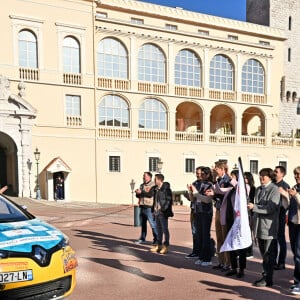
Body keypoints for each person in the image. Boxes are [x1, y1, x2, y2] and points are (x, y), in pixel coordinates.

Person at [248, 168, 280, 287]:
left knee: (268, 254)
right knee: (263, 254)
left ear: (270, 177)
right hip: (258, 226)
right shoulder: (258, 189)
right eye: (260, 176)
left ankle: (268, 278)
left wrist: (254, 207)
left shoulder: (274, 190)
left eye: (264, 176)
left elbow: (271, 208)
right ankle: (265, 276)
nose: (261, 178)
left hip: (268, 227)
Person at [223, 170, 250, 278]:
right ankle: (233, 267)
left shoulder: (245, 187)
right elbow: (220, 190)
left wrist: (228, 176)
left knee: (241, 245)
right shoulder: (231, 190)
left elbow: (239, 187)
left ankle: (242, 269)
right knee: (231, 243)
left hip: (239, 220)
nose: (231, 180)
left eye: (234, 177)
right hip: (230, 218)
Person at [279, 166, 300, 295]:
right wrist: (285, 196)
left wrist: (296, 195)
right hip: (293, 223)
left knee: (299, 254)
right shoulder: (294, 187)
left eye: (298, 174)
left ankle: (298, 282)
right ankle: (297, 281)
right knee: (295, 252)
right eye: (295, 174)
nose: (296, 176)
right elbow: (288, 206)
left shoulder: (296, 190)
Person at [189, 166, 214, 266]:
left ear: (207, 175)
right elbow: (193, 199)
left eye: (203, 174)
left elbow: (207, 199)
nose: (200, 176)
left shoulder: (209, 184)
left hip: (206, 212)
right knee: (199, 235)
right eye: (200, 174)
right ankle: (201, 256)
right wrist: (190, 192)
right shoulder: (196, 183)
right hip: (197, 211)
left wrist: (195, 193)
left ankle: (207, 258)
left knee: (205, 235)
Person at [210, 161, 232, 271]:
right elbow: (217, 195)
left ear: (223, 169)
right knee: (219, 237)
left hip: (225, 210)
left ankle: (228, 263)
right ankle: (221, 261)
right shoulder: (218, 180)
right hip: (218, 209)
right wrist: (212, 195)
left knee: (225, 237)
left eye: (217, 169)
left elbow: (226, 194)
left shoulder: (228, 180)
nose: (215, 171)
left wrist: (215, 193)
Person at [183, 166, 204, 259]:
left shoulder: (206, 184)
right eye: (197, 173)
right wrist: (189, 194)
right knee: (194, 231)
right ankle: (196, 251)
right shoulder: (194, 183)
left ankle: (203, 251)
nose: (198, 175)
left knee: (202, 232)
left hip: (202, 210)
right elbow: (193, 199)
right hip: (194, 209)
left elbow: (202, 197)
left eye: (200, 173)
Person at [150, 173, 173, 254]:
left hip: (163, 212)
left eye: (155, 179)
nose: (154, 181)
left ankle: (166, 245)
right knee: (158, 229)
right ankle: (158, 245)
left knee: (165, 229)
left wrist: (163, 209)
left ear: (159, 180)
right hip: (156, 212)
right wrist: (153, 210)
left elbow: (169, 200)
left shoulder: (166, 189)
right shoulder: (156, 189)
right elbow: (154, 200)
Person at [273, 165, 290, 270]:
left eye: (277, 172)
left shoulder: (285, 185)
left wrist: (284, 193)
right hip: (272, 216)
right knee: (273, 239)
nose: (274, 173)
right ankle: (273, 261)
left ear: (282, 174)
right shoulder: (272, 184)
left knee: (280, 239)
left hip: (280, 215)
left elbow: (288, 202)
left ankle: (282, 262)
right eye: (274, 171)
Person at [135, 172, 158, 244]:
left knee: (153, 224)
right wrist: (137, 193)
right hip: (142, 206)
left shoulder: (153, 185)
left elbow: (150, 195)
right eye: (143, 176)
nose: (143, 177)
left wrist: (141, 192)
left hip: (149, 207)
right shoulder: (142, 185)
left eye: (144, 176)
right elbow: (139, 196)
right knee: (143, 224)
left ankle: (156, 239)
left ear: (149, 177)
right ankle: (142, 238)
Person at [244, 171, 256, 259]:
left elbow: (252, 200)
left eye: (246, 178)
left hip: (250, 213)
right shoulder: (242, 188)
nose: (244, 180)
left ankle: (249, 252)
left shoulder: (253, 188)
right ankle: (243, 251)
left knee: (248, 232)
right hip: (243, 213)